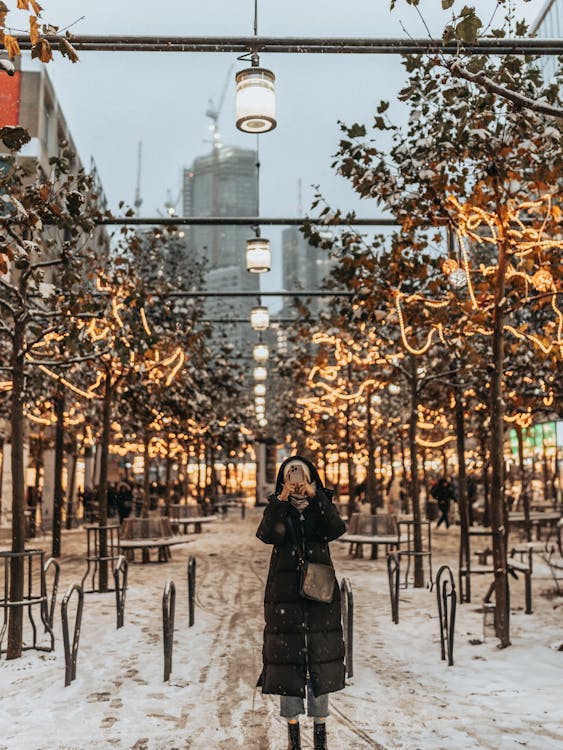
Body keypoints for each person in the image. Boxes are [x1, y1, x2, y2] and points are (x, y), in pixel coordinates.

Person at [256, 456, 346, 750]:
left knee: (321, 660)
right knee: (287, 663)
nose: (296, 480)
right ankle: (293, 739)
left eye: (301, 475)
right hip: (285, 594)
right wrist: (281, 500)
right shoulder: (278, 507)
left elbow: (335, 528)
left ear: (311, 477)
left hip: (319, 594)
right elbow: (266, 534)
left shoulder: (321, 504)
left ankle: (321, 737)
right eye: (291, 475)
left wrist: (314, 495)